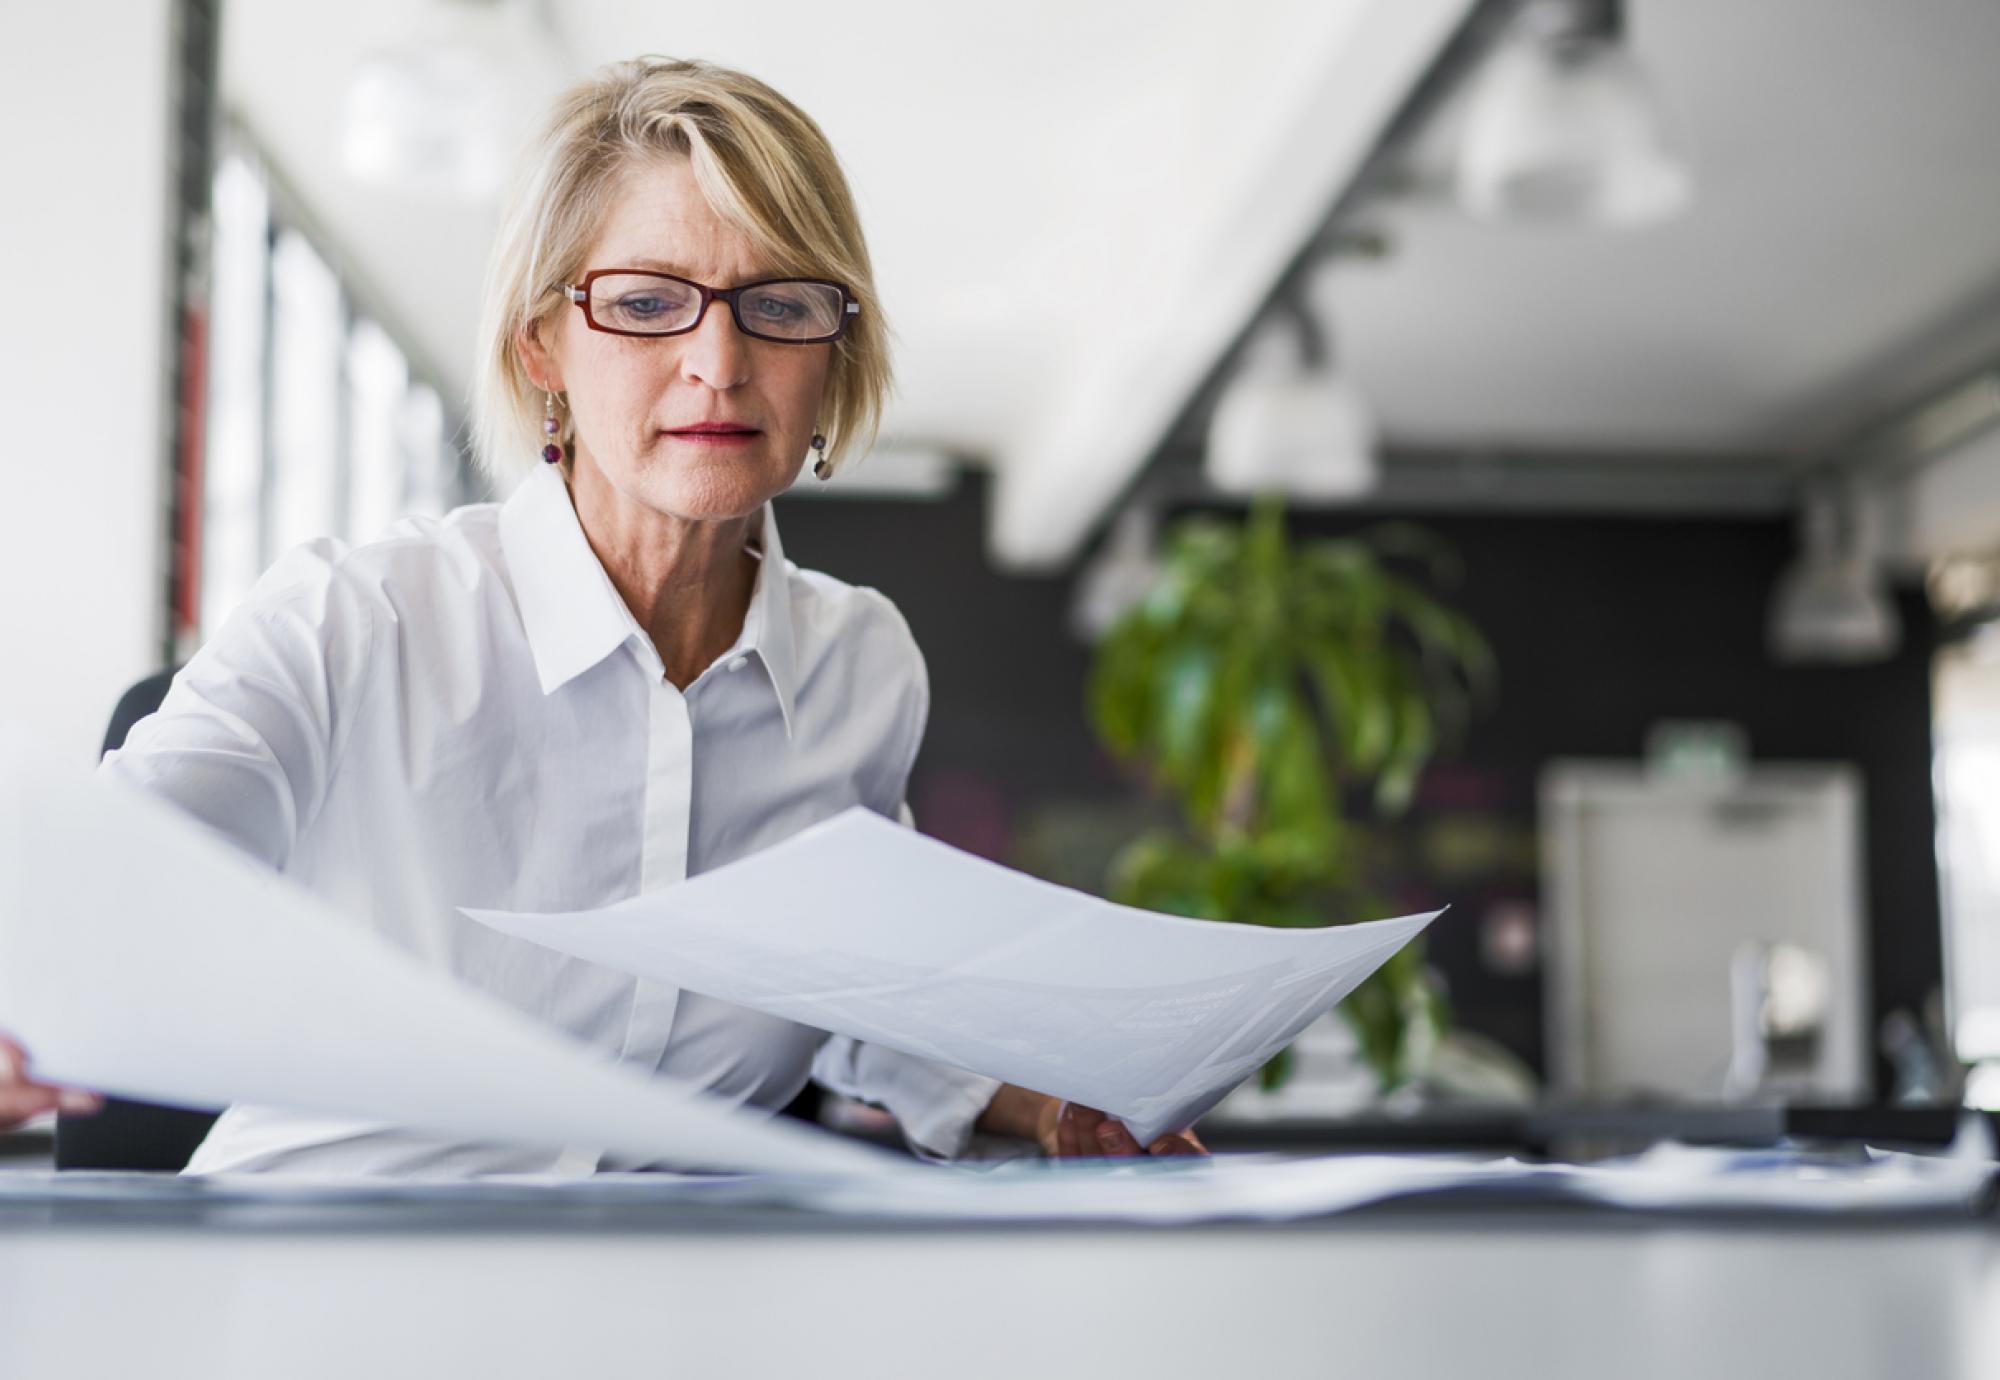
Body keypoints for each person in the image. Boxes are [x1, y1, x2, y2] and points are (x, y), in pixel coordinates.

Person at [0, 56, 1202, 1171]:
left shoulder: (859, 670)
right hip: (323, 1282)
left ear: (833, 354)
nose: (719, 364)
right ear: (542, 347)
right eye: (644, 303)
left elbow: (844, 985)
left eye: (779, 305)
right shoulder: (356, 622)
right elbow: (88, 890)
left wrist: (1041, 1101)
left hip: (667, 1300)